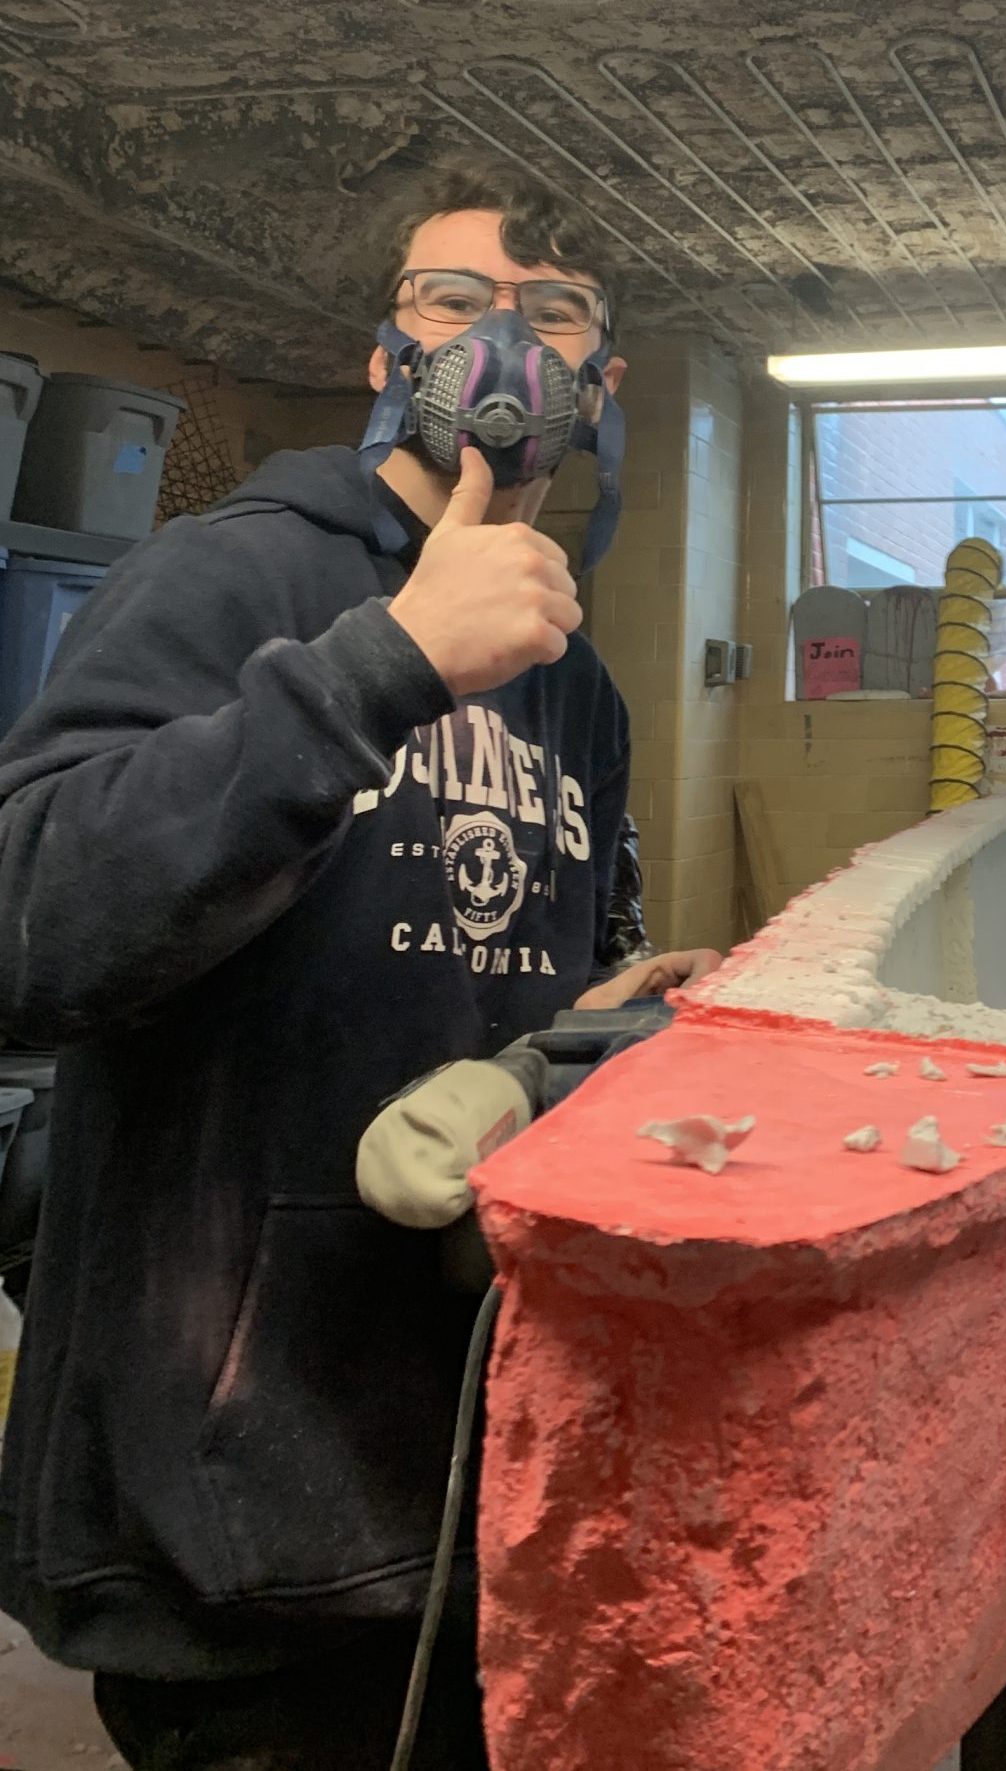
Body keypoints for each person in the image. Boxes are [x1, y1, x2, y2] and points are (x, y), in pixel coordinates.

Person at [0, 160, 713, 1767]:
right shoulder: (230, 580)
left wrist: (600, 1027)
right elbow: (25, 920)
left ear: (602, 380)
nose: (504, 345)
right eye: (452, 302)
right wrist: (384, 664)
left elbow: (523, 977)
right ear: (383, 358)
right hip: (229, 1494)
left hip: (454, 1461)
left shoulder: (570, 673)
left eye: (554, 313)